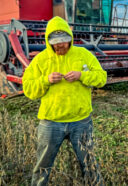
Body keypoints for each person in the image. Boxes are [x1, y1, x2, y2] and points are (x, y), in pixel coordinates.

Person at [22, 16, 106, 186]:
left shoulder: (83, 55)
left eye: (63, 41)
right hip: (51, 122)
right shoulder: (40, 60)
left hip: (81, 121)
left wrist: (82, 75)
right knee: (42, 166)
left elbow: (102, 78)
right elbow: (28, 89)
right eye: (56, 42)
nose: (60, 45)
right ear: (48, 41)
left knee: (89, 164)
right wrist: (45, 80)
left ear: (70, 38)